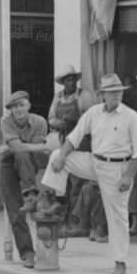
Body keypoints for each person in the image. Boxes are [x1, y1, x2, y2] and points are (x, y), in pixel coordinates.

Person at [41, 73, 137, 274]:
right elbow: (73, 138)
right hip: (94, 161)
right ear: (102, 95)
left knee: (117, 217)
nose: (116, 96)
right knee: (57, 154)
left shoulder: (131, 117)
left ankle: (120, 261)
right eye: (111, 93)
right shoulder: (93, 113)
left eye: (118, 92)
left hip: (118, 169)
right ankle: (54, 200)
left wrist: (127, 176)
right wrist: (63, 156)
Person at [47, 64, 106, 242]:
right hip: (65, 140)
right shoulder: (57, 98)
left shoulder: (84, 96)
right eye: (67, 80)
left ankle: (79, 223)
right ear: (63, 82)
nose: (70, 82)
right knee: (64, 183)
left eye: (73, 79)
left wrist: (75, 121)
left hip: (83, 141)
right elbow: (50, 119)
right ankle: (66, 221)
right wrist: (59, 123)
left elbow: (91, 118)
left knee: (79, 183)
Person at [0, 90, 53, 268]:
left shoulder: (39, 122)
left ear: (28, 105)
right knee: (15, 210)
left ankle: (30, 195)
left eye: (21, 105)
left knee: (22, 155)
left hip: (32, 163)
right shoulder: (5, 121)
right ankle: (27, 253)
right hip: (8, 164)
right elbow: (25, 147)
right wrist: (14, 148)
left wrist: (11, 147)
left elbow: (29, 149)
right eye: (14, 107)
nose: (18, 110)